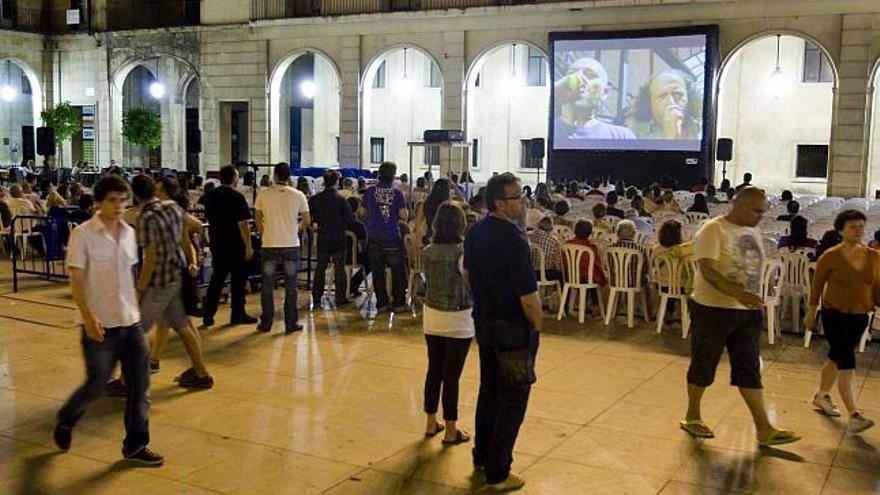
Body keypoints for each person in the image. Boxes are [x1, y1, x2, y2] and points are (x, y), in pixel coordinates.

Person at [54, 175, 164, 465]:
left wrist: (137, 308)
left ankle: (136, 445)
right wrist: (88, 318)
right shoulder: (83, 234)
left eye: (122, 200)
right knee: (96, 384)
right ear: (99, 203)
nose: (118, 206)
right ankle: (67, 419)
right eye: (112, 200)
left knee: (140, 387)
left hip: (130, 322)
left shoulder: (129, 232)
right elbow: (76, 280)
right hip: (100, 325)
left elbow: (127, 276)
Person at [680, 186, 800, 446]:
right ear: (741, 206)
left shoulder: (752, 231)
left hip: (746, 313)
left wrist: (751, 297)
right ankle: (692, 416)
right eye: (757, 210)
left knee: (749, 369)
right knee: (704, 364)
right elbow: (708, 271)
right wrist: (739, 293)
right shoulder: (713, 229)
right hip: (713, 310)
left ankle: (764, 428)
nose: (761, 215)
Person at [464, 173, 541, 492]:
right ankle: (498, 471)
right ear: (500, 203)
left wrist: (485, 300)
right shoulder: (514, 240)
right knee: (512, 400)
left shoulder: (475, 231)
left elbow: (466, 272)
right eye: (517, 197)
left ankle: (482, 456)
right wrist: (536, 325)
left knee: (490, 391)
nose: (523, 202)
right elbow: (528, 297)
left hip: (485, 323)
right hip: (512, 330)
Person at [130, 174, 214, 389]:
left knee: (137, 330)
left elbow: (151, 257)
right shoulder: (173, 208)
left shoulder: (145, 218)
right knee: (183, 326)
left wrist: (140, 287)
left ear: (135, 194)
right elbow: (195, 225)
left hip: (160, 280)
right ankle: (201, 374)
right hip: (176, 275)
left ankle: (127, 379)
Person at [804, 209, 876, 433]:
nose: (858, 230)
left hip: (860, 315)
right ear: (841, 230)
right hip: (834, 313)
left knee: (837, 356)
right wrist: (811, 311)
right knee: (847, 361)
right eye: (853, 227)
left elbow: (877, 286)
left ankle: (822, 395)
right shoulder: (830, 256)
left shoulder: (874, 256)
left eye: (861, 226)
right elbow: (816, 285)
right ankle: (854, 414)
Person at [421, 201, 474, 446]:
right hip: (459, 318)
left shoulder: (428, 251)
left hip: (432, 315)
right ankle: (451, 429)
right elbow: (470, 283)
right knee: (452, 376)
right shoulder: (463, 252)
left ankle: (431, 422)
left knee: (434, 371)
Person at [254, 163, 311, 333]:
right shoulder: (298, 195)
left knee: (267, 284)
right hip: (291, 244)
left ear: (275, 176)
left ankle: (266, 322)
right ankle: (290, 322)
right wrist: (296, 229)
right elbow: (307, 220)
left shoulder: (263, 195)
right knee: (291, 285)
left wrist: (265, 232)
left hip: (269, 244)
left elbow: (257, 219)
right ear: (289, 176)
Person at [202, 165, 257, 327]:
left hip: (217, 242)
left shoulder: (210, 196)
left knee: (217, 279)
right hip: (235, 244)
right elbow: (243, 224)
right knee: (238, 281)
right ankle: (237, 313)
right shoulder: (237, 197)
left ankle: (208, 314)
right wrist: (248, 246)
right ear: (234, 178)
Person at [553, 57, 636, 144]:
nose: (580, 80)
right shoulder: (545, 128)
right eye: (572, 74)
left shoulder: (621, 137)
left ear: (604, 93)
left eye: (590, 75)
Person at [364, 162, 409, 312]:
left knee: (377, 271)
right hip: (391, 235)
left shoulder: (369, 191)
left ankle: (381, 304)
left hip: (373, 235)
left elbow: (362, 213)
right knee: (397, 271)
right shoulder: (397, 193)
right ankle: (399, 304)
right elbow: (404, 215)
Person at [310, 169, 357, 307]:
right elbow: (350, 221)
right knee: (339, 268)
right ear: (337, 182)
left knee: (320, 267)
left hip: (323, 236)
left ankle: (317, 297)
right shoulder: (342, 201)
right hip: (337, 237)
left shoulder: (315, 199)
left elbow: (310, 218)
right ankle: (340, 297)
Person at [629, 69, 701, 140]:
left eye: (677, 94)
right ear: (649, 103)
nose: (671, 102)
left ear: (689, 98)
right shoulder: (635, 135)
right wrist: (669, 136)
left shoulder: (705, 127)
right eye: (662, 96)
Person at [565, 219, 606, 287]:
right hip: (587, 277)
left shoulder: (568, 244)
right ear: (589, 233)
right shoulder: (591, 247)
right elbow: (597, 265)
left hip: (570, 276)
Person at [528, 215, 563, 282]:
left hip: (531, 272)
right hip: (546, 273)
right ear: (551, 228)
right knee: (562, 275)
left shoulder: (530, 235)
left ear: (538, 225)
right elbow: (557, 264)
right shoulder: (552, 240)